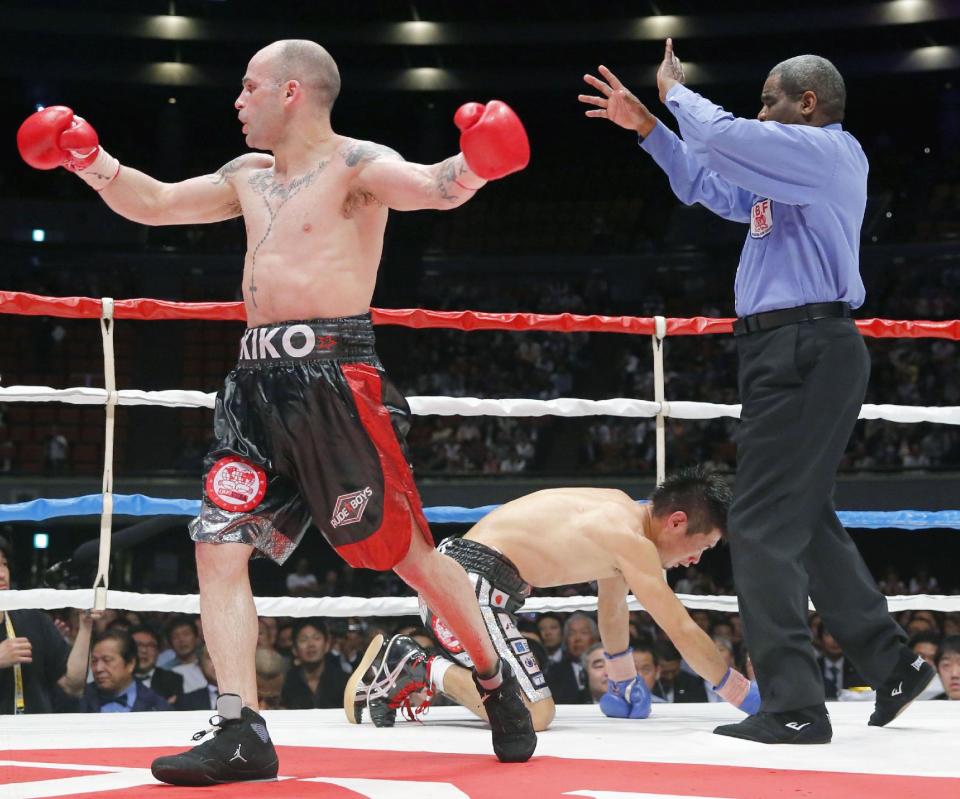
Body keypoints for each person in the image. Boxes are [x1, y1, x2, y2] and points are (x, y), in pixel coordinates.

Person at [17, 38, 533, 781]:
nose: (236, 100)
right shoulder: (248, 175)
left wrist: (480, 163)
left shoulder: (357, 165)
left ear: (292, 92)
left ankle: (492, 676)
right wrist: (86, 159)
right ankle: (240, 730)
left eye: (248, 86)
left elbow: (432, 185)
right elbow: (157, 202)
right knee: (217, 545)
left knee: (408, 556)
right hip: (254, 387)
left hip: (336, 382)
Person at [578, 40, 934, 743]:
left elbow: (723, 134)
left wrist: (675, 93)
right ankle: (894, 664)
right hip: (787, 350)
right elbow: (706, 185)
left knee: (761, 523)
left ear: (807, 103)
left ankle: (797, 703)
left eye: (772, 99)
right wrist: (650, 129)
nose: (761, 109)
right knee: (804, 517)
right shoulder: (786, 181)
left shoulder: (830, 153)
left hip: (806, 347)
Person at [351, 468, 759, 732]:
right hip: (466, 586)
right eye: (701, 546)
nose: (694, 560)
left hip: (471, 581)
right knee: (531, 714)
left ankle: (417, 666)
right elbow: (680, 627)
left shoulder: (622, 512)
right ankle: (417, 666)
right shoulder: (630, 540)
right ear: (677, 522)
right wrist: (743, 695)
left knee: (529, 709)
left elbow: (613, 605)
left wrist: (622, 680)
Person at [0, 535, 95, 714]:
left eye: (4, 564)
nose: (2, 574)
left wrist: (86, 626)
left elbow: (73, 685)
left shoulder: (34, 619)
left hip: (34, 738)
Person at [81, 630, 170, 713]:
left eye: (107, 660)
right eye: (94, 661)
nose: (98, 668)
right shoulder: (80, 699)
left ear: (130, 664)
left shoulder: (157, 706)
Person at [130, 625, 183, 706]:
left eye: (150, 646)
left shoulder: (173, 680)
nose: (144, 651)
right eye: (138, 645)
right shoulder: (116, 679)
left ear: (158, 652)